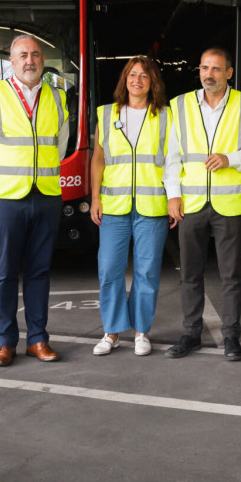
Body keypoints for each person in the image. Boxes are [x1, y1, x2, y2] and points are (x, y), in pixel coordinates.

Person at [0, 34, 68, 368]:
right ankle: (5, 342)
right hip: (5, 199)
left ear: (42, 60)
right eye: (23, 54)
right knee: (5, 271)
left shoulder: (58, 98)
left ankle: (38, 340)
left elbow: (60, 145)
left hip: (46, 196)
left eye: (36, 54)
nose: (30, 60)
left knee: (39, 271)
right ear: (12, 60)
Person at [163, 47, 241, 361]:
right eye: (205, 67)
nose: (209, 74)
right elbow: (172, 157)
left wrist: (230, 159)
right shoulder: (179, 105)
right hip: (191, 202)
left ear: (229, 73)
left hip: (229, 203)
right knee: (189, 273)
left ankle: (231, 336)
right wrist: (173, 195)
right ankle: (191, 332)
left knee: (231, 274)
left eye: (216, 69)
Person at [89, 55, 179, 357]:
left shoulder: (165, 116)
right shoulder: (106, 113)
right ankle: (112, 332)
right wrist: (95, 198)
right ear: (124, 80)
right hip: (114, 206)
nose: (137, 80)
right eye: (132, 75)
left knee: (147, 271)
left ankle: (141, 332)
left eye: (144, 76)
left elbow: (171, 162)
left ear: (153, 82)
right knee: (110, 270)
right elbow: (99, 159)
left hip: (152, 206)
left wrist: (172, 199)